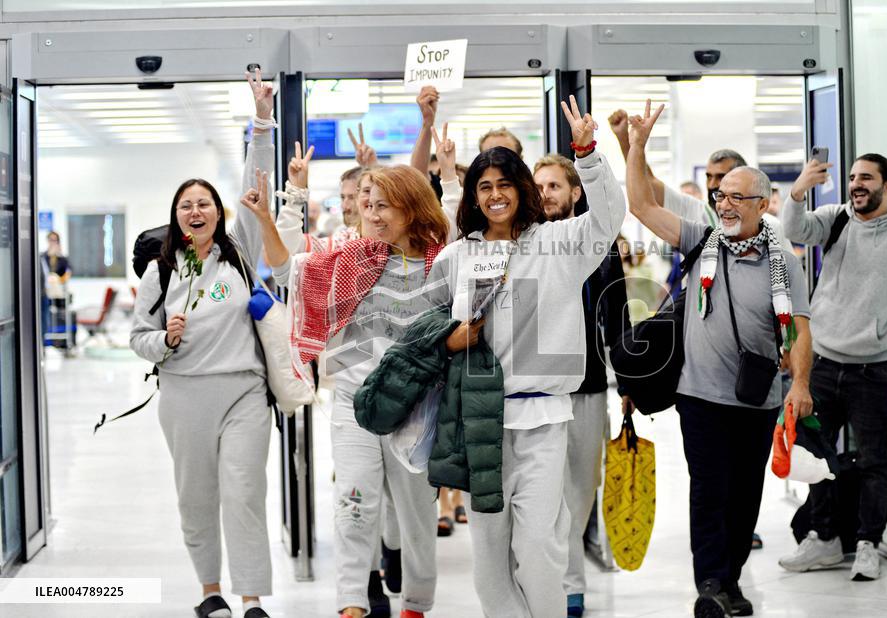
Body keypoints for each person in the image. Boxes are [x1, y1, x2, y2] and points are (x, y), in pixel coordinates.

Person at [423, 96, 625, 617]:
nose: (495, 195)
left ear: (523, 191)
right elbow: (421, 326)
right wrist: (449, 340)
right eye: (484, 186)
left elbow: (607, 219)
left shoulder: (558, 244)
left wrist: (588, 154)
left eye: (505, 184)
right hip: (480, 425)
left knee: (538, 550)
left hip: (543, 421)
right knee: (489, 561)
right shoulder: (457, 255)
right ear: (474, 196)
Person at [625, 100, 814, 618]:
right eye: (720, 195)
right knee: (710, 490)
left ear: (762, 204)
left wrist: (799, 384)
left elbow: (800, 324)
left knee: (744, 495)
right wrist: (637, 145)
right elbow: (641, 207)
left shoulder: (784, 260)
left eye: (736, 197)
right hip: (700, 395)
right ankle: (710, 582)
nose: (725, 204)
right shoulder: (702, 239)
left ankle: (727, 579)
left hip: (757, 398)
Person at [257, 148, 450, 618]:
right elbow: (286, 269)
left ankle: (416, 605)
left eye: (384, 204)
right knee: (354, 502)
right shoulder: (348, 258)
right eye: (369, 203)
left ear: (410, 209)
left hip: (416, 409)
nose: (372, 212)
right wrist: (274, 212)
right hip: (355, 404)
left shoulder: (443, 262)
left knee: (416, 520)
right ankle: (351, 605)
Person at [129, 69, 275, 618]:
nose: (196, 211)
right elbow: (136, 338)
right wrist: (163, 343)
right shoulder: (160, 273)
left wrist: (261, 123)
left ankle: (253, 597)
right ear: (177, 217)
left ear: (218, 212)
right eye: (186, 205)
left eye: (205, 203)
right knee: (197, 500)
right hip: (184, 396)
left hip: (242, 393)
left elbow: (254, 188)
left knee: (243, 494)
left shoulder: (239, 253)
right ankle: (211, 593)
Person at [777, 154, 887, 581]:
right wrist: (798, 190)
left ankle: (867, 543)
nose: (856, 184)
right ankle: (824, 538)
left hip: (874, 369)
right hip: (823, 363)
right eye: (851, 178)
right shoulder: (835, 219)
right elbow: (793, 229)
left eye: (866, 177)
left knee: (871, 461)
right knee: (816, 456)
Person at [533, 153, 628, 617]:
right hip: (538, 390)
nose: (546, 194)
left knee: (579, 490)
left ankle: (570, 582)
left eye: (555, 186)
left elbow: (618, 316)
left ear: (575, 193)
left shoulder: (600, 245)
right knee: (540, 494)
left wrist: (628, 384)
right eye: (540, 186)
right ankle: (554, 583)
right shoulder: (526, 243)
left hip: (589, 387)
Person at [40, 230, 72, 346]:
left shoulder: (62, 259)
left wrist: (58, 279)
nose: (53, 243)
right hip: (44, 292)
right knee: (43, 314)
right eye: (51, 240)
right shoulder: (42, 257)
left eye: (55, 240)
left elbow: (68, 273)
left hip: (58, 293)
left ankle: (61, 341)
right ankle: (43, 339)